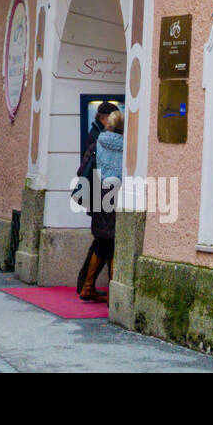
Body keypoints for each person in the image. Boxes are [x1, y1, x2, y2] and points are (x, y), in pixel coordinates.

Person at [80, 109, 124, 302]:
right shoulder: (128, 146)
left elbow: (82, 170)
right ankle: (113, 292)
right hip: (118, 196)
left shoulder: (97, 143)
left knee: (101, 241)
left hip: (99, 196)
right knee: (114, 243)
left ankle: (88, 286)